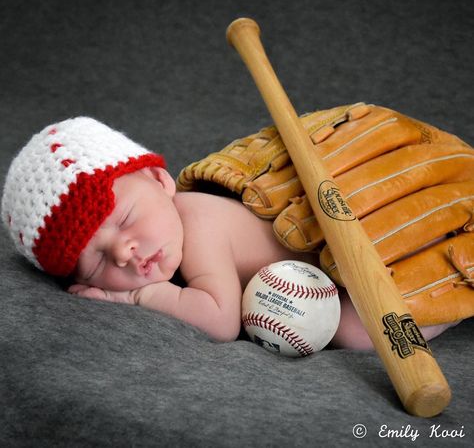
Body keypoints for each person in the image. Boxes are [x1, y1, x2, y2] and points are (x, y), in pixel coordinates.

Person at [1, 117, 454, 349]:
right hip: (323, 281)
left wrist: (137, 297)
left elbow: (219, 320)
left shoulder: (197, 221)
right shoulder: (165, 235)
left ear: (160, 181)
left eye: (124, 219)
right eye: (97, 261)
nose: (124, 251)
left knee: (356, 332)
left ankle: (452, 306)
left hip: (374, 239)